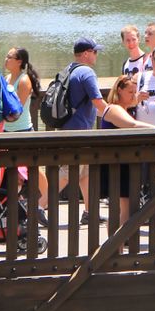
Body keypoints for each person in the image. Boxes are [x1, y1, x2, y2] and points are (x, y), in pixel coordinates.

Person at [62, 39, 108, 223]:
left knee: (85, 173)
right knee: (67, 173)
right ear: (87, 53)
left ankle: (90, 213)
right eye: (95, 52)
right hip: (80, 132)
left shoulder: (69, 69)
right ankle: (36, 206)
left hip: (68, 128)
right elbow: (98, 102)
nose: (96, 55)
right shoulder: (87, 73)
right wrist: (117, 116)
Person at [98, 76, 141, 233]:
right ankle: (114, 248)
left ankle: (118, 248)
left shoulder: (126, 109)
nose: (133, 95)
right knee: (120, 208)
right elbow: (132, 125)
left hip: (124, 162)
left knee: (127, 207)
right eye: (130, 91)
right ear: (119, 90)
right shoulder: (113, 109)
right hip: (115, 163)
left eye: (135, 92)